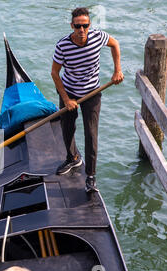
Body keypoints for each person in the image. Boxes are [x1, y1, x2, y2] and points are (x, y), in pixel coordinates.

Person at [51, 7, 124, 193]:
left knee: (91, 134)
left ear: (89, 25)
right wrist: (67, 99)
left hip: (92, 92)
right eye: (77, 26)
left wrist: (117, 70)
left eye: (85, 25)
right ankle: (73, 158)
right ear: (72, 26)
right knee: (67, 129)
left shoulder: (98, 37)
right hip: (69, 92)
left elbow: (115, 44)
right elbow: (54, 73)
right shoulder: (63, 46)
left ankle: (91, 176)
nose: (81, 30)